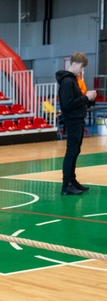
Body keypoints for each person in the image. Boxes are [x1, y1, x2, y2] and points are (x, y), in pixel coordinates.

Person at [56, 52, 97, 195]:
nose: (82, 71)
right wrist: (85, 97)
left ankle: (72, 181)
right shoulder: (67, 82)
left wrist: (88, 99)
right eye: (81, 67)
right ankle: (66, 184)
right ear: (74, 64)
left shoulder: (73, 81)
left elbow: (76, 101)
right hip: (72, 121)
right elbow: (67, 105)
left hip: (77, 120)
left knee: (75, 151)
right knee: (71, 152)